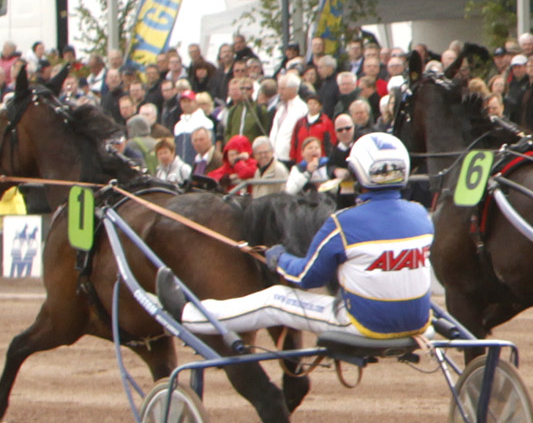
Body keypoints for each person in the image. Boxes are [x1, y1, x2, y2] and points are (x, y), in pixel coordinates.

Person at [179, 133, 434, 346]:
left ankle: (188, 314)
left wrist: (278, 257)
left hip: (363, 326)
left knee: (275, 298)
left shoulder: (344, 223)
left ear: (358, 176)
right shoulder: (420, 215)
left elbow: (306, 277)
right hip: (421, 322)